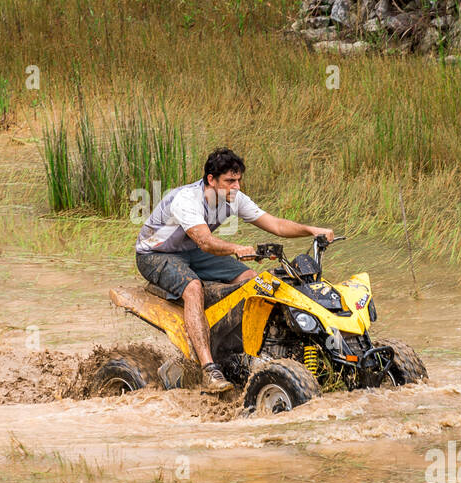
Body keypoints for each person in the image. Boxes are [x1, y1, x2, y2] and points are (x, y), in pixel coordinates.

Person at [135, 147, 335, 394]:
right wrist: (236, 248)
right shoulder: (186, 199)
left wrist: (312, 230)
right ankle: (209, 368)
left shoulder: (234, 198)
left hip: (192, 252)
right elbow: (205, 241)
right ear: (211, 179)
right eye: (230, 181)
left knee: (253, 279)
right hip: (156, 254)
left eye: (238, 180)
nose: (237, 186)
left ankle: (246, 350)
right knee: (193, 287)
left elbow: (276, 224)